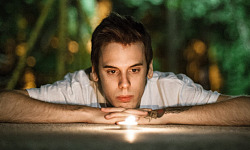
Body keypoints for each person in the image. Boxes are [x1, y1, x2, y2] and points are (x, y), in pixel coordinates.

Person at [0, 12, 249, 125]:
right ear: (94, 72)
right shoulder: (79, 86)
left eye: (134, 70)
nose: (124, 84)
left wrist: (159, 116)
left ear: (150, 69)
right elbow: (4, 103)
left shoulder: (170, 88)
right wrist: (88, 114)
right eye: (111, 71)